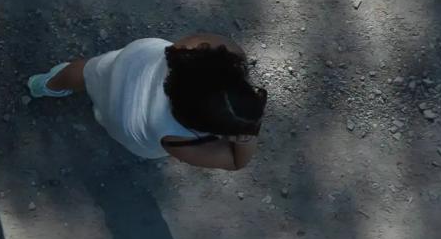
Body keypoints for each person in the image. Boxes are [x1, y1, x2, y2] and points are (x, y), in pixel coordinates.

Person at [25, 35, 267, 170]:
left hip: (131, 62)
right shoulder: (175, 139)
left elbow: (231, 52)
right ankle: (89, 104)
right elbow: (236, 161)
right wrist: (247, 135)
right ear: (200, 126)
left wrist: (234, 80)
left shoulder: (191, 52)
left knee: (87, 70)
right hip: (120, 119)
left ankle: (46, 85)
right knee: (103, 105)